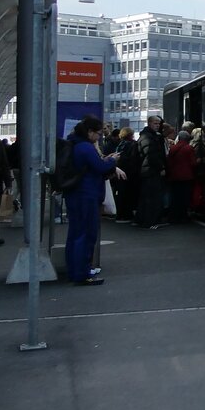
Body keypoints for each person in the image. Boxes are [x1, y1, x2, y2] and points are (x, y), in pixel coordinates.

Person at [66, 115, 126, 285]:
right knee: (86, 234)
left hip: (76, 194)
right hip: (87, 195)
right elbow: (99, 167)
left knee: (75, 234)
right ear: (90, 132)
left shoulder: (74, 144)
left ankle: (75, 270)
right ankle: (82, 273)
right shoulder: (85, 147)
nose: (99, 137)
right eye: (98, 133)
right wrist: (112, 160)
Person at [137, 115, 167, 228]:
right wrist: (161, 167)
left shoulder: (148, 136)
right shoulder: (149, 137)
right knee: (152, 197)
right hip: (151, 171)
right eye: (155, 123)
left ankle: (145, 219)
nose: (157, 126)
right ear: (149, 123)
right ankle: (150, 220)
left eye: (158, 124)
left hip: (148, 170)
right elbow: (151, 155)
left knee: (148, 196)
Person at [166, 130, 197, 224]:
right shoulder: (189, 148)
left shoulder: (172, 148)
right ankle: (183, 216)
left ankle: (174, 216)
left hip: (174, 176)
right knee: (185, 197)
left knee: (175, 197)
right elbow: (193, 163)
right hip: (186, 177)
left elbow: (169, 162)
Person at [113, 127, 141, 223]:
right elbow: (133, 159)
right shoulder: (132, 144)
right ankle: (126, 215)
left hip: (119, 170)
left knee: (120, 194)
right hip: (128, 172)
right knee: (128, 195)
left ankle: (120, 214)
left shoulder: (120, 144)